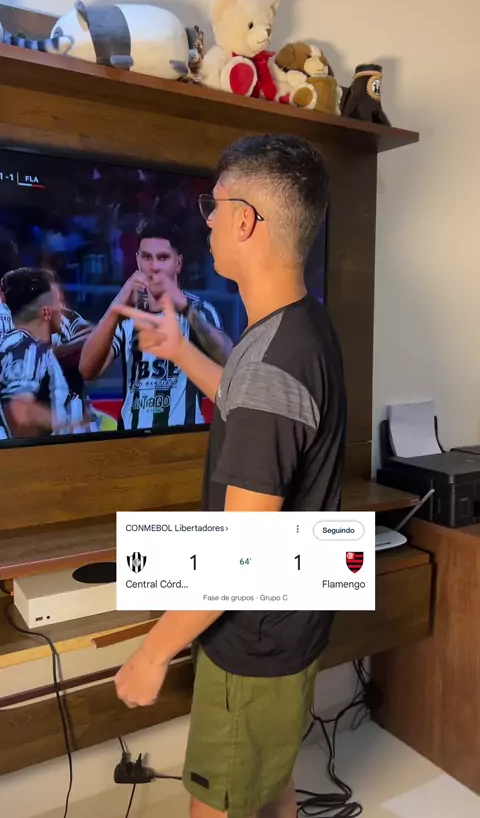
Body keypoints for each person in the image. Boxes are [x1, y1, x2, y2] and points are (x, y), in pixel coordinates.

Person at [113, 134, 347, 818]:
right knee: (270, 787)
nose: (208, 220)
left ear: (246, 221)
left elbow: (239, 557)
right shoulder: (297, 326)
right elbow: (252, 403)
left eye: (214, 206)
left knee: (220, 803)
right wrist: (182, 351)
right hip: (293, 618)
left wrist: (152, 654)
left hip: (254, 640)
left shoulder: (274, 360)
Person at [79, 217, 232, 431]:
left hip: (182, 439)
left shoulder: (200, 310)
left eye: (163, 258)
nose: (154, 267)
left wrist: (186, 309)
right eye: (147, 257)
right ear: (137, 260)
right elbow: (87, 371)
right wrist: (116, 306)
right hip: (130, 441)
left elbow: (229, 361)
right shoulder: (126, 315)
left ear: (178, 263)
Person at [0, 268, 93, 440]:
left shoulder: (22, 346)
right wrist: (69, 425)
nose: (63, 309)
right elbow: (20, 412)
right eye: (59, 302)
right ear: (46, 312)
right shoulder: (26, 347)